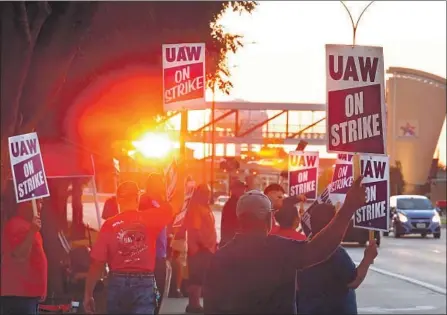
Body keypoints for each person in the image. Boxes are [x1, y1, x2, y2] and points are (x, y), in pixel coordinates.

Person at [203, 176, 367, 314]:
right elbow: (320, 249)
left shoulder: (220, 257)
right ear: (268, 219)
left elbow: (210, 304)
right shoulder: (280, 249)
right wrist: (348, 208)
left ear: (240, 219)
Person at [83, 181, 174, 314]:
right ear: (137, 198)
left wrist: (88, 294)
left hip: (117, 282)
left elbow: (97, 263)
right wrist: (155, 195)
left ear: (118, 200)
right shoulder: (151, 219)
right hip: (144, 281)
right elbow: (170, 209)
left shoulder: (109, 225)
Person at [297, 204, 378, 315]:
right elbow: (353, 281)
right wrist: (367, 259)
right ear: (333, 223)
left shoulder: (302, 249)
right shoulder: (335, 253)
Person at [1, 201, 47, 315]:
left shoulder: (30, 226)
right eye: (38, 202)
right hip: (20, 297)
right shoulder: (16, 225)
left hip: (29, 296)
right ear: (26, 204)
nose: (41, 206)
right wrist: (32, 232)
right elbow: (19, 255)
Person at [139, 173, 170, 315]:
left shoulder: (156, 202)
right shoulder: (146, 201)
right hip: (151, 256)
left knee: (158, 293)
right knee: (153, 295)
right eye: (160, 183)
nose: (163, 185)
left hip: (159, 254)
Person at [184, 184, 217, 314]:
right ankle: (194, 305)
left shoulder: (204, 207)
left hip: (207, 248)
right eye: (205, 192)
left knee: (201, 278)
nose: (208, 195)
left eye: (208, 192)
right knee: (197, 278)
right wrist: (203, 245)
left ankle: (195, 304)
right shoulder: (196, 208)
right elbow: (195, 230)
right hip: (199, 249)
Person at [220, 179, 247, 247]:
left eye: (243, 188)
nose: (243, 191)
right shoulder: (233, 204)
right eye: (241, 188)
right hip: (232, 242)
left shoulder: (238, 203)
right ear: (234, 190)